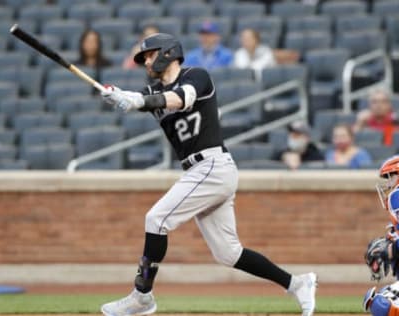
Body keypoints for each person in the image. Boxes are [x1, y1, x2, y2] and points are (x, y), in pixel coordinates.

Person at [100, 32, 316, 316]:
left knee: (156, 219)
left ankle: (142, 296)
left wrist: (137, 101)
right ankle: (297, 283)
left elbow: (181, 99)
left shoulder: (197, 76)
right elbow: (144, 98)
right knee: (228, 254)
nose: (147, 62)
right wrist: (118, 95)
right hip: (200, 171)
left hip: (212, 166)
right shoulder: (152, 90)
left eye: (150, 55)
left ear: (167, 52)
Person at [363, 155, 399, 316]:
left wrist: (390, 249)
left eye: (391, 176)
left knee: (381, 305)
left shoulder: (396, 195)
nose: (389, 182)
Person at [75, 29, 112, 94]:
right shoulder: (76, 66)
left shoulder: (107, 64)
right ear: (82, 44)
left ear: (98, 44)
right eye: (88, 42)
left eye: (94, 42)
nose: (91, 45)